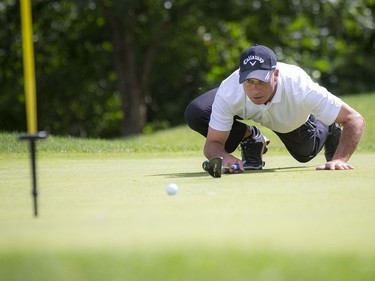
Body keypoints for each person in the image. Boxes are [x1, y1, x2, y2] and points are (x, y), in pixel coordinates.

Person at [184, 44, 365, 173]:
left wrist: (340, 159)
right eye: (249, 81)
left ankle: (328, 126)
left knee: (304, 154)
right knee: (196, 113)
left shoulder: (299, 87)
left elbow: (353, 119)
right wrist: (223, 156)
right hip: (251, 111)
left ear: (276, 74)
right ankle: (251, 138)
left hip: (291, 119)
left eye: (261, 81)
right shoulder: (229, 90)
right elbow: (212, 144)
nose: (255, 89)